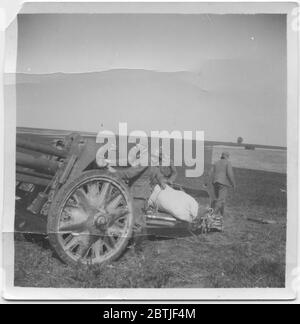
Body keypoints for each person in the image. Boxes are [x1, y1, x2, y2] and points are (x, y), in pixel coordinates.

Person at [210, 151, 236, 217]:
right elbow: (230, 174)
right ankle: (212, 215)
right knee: (220, 200)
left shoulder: (216, 162)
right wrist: (233, 184)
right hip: (223, 183)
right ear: (227, 156)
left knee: (218, 199)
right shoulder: (228, 163)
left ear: (221, 156)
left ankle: (222, 214)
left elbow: (211, 173)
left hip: (215, 182)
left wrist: (211, 182)